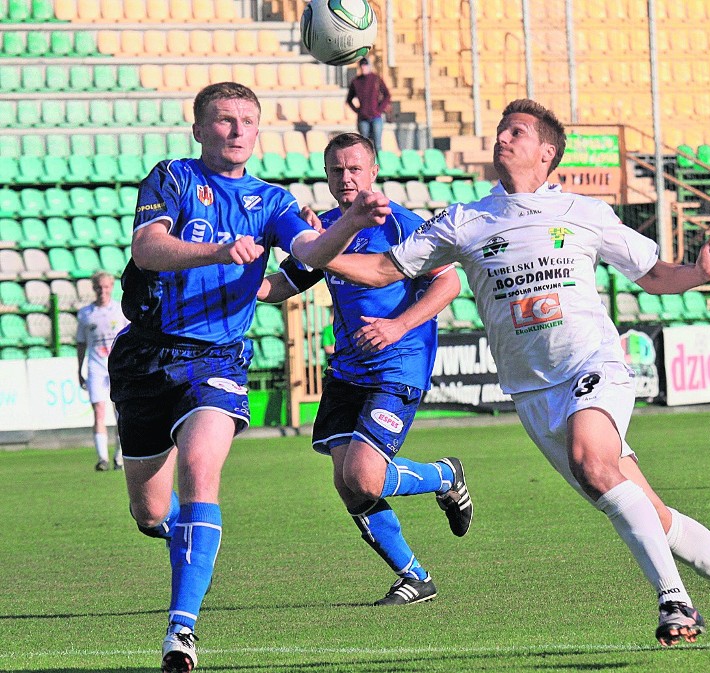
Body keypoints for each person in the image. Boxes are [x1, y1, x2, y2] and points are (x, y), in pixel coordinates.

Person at [311, 100, 710, 647]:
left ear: (546, 153)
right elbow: (383, 268)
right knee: (653, 514)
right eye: (501, 129)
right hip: (532, 391)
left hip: (592, 366)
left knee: (591, 460)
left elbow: (653, 274)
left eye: (516, 132)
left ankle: (674, 602)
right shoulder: (466, 219)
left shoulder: (583, 212)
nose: (502, 137)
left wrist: (697, 272)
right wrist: (315, 252)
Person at [108, 82, 391, 673]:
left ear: (258, 131)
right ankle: (191, 546)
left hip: (216, 361)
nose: (237, 130)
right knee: (152, 514)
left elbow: (310, 250)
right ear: (199, 129)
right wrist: (215, 253)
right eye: (224, 120)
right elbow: (148, 249)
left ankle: (180, 632)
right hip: (145, 358)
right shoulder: (172, 178)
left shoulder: (272, 200)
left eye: (247, 121)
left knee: (200, 473)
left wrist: (351, 222)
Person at [257, 132, 471, 605]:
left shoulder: (402, 224)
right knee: (349, 486)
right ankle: (414, 577)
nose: (346, 177)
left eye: (355, 168)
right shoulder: (329, 229)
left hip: (398, 362)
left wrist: (398, 325)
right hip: (349, 369)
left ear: (374, 171)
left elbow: (449, 285)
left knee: (366, 478)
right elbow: (282, 284)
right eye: (337, 169)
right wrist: (232, 277)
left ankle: (444, 476)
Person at [75, 270, 128, 472]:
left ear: (111, 287)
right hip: (96, 367)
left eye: (106, 287)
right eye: (99, 287)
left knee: (120, 412)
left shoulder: (119, 311)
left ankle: (120, 456)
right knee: (99, 411)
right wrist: (78, 369)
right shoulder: (86, 314)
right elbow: (81, 344)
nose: (102, 291)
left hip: (117, 367)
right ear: (93, 288)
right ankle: (102, 458)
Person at [346, 57, 391, 153]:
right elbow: (349, 100)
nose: (363, 67)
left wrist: (379, 109)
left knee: (377, 144)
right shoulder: (356, 82)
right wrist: (358, 110)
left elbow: (387, 95)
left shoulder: (376, 79)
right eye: (362, 65)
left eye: (365, 65)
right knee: (365, 145)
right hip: (363, 118)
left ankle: (378, 164)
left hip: (376, 116)